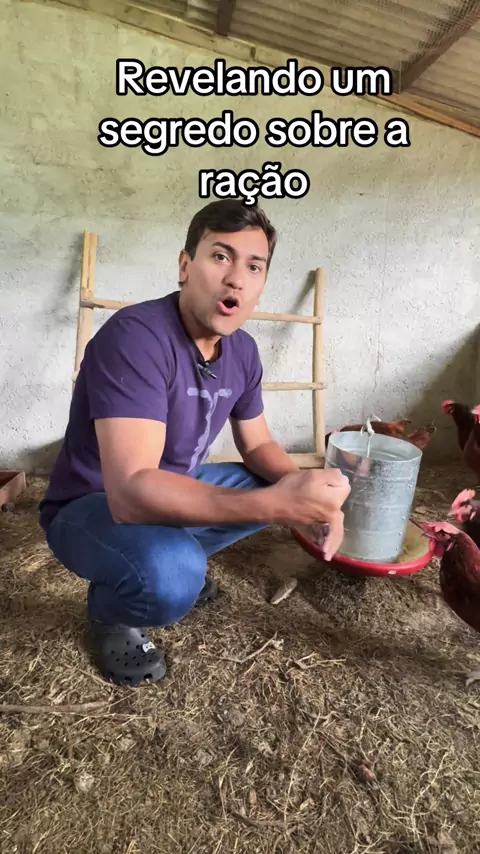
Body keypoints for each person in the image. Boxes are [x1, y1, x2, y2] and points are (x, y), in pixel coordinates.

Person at [39, 199, 350, 687]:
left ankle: (164, 548)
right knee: (172, 575)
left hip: (170, 490)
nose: (236, 279)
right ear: (186, 266)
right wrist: (276, 504)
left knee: (269, 479)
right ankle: (111, 611)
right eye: (220, 257)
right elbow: (131, 491)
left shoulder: (243, 352)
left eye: (254, 266)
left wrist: (305, 494)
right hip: (92, 506)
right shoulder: (136, 338)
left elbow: (257, 445)